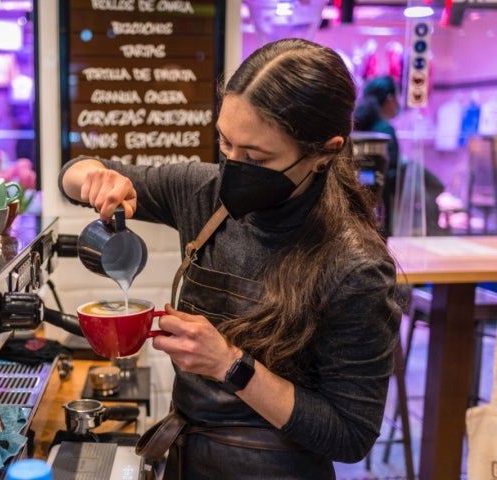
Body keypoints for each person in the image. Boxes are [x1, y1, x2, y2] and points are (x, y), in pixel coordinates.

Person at [58, 38, 401, 479]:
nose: (232, 166)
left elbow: (350, 435)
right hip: (187, 461)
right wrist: (94, 178)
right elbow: (75, 172)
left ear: (326, 151)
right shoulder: (203, 194)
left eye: (255, 156)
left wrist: (229, 365)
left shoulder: (354, 266)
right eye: (225, 143)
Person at [354, 75, 445, 235]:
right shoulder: (385, 129)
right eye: (397, 97)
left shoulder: (359, 125)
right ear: (390, 99)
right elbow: (391, 170)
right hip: (382, 198)